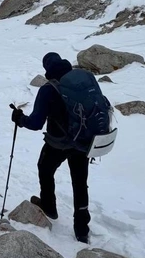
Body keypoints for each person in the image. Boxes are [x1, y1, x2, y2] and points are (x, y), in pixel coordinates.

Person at [11, 52, 91, 243]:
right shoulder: (81, 81)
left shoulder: (48, 89)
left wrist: (19, 118)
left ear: (47, 69)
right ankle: (82, 230)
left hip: (58, 142)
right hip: (83, 141)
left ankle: (49, 206)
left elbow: (36, 123)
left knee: (45, 169)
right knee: (80, 183)